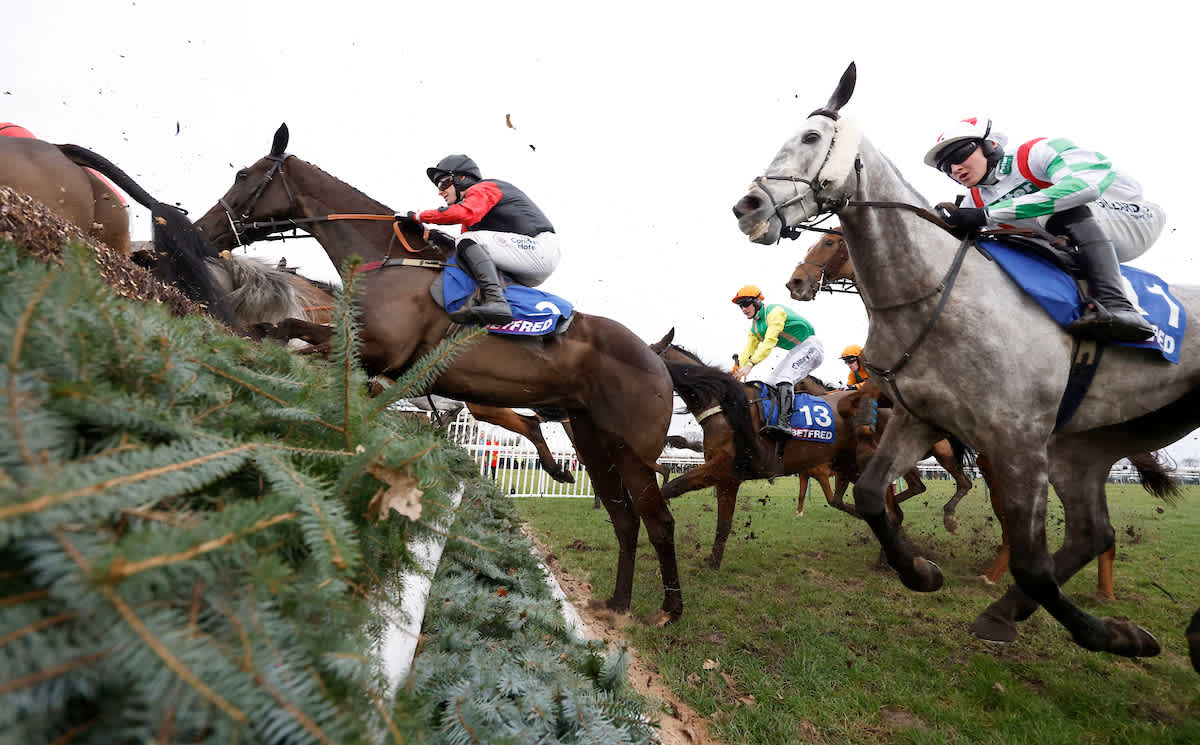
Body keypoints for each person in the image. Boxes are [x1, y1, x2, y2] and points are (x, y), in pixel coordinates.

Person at [925, 117, 1164, 343]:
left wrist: (988, 214)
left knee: (1058, 208)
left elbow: (1084, 187)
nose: (955, 168)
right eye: (946, 166)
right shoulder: (974, 200)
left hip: (1134, 218)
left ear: (991, 144)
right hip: (1073, 242)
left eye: (959, 154)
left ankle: (1119, 306)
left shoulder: (1037, 152)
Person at [397, 154, 560, 326]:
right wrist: (428, 235)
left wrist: (419, 216)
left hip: (539, 248)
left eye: (444, 183)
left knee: (467, 240)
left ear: (462, 179)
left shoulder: (484, 188)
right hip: (524, 262)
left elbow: (462, 213)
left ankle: (497, 302)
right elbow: (460, 248)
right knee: (464, 249)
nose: (440, 191)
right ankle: (485, 304)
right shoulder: (474, 221)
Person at [731, 285, 825, 440]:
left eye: (746, 304)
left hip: (811, 346)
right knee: (770, 383)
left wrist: (750, 365)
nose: (743, 309)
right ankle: (773, 421)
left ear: (757, 302)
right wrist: (737, 369)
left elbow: (769, 343)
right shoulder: (755, 327)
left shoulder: (774, 313)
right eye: (741, 306)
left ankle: (786, 424)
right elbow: (748, 350)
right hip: (796, 351)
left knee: (784, 379)